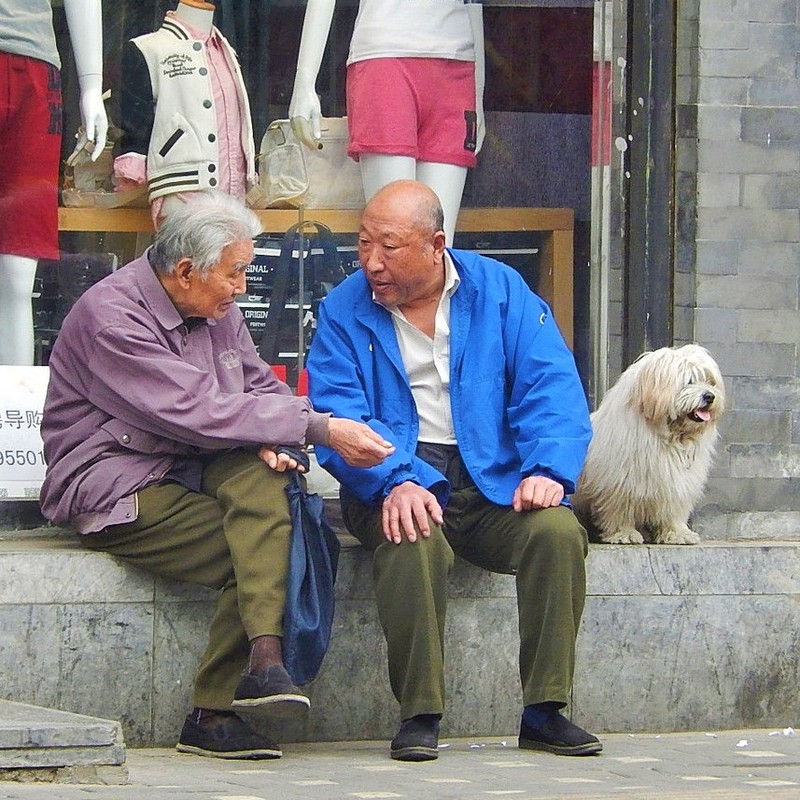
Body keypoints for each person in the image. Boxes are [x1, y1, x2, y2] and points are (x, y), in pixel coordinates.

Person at [39, 190, 394, 760]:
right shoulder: (112, 317)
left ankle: (265, 663)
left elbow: (253, 383)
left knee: (268, 493)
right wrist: (319, 429)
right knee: (263, 550)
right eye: (235, 273)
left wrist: (281, 437)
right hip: (118, 481)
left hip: (192, 462)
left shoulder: (213, 307)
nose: (243, 287)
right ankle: (215, 709)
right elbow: (196, 408)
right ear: (185, 271)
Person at [306, 180, 601, 761]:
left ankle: (546, 709)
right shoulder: (344, 308)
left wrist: (547, 469)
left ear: (436, 244)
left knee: (558, 532)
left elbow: (552, 385)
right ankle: (420, 712)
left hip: (492, 478)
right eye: (364, 244)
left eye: (388, 247)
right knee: (412, 536)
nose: (371, 262)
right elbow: (339, 415)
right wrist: (396, 478)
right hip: (396, 474)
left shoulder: (500, 291)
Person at [288, 0, 484, 244]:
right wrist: (304, 81)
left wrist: (479, 95)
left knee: (438, 247)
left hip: (457, 62)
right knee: (392, 236)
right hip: (384, 58)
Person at [0, 0, 107, 366]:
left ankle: (13, 411)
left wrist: (92, 86)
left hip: (35, 66)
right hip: (34, 63)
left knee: (18, 271)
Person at [114, 0, 256, 227]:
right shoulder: (148, 49)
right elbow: (133, 119)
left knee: (229, 262)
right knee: (185, 262)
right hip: (182, 190)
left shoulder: (225, 50)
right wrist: (131, 168)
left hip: (234, 196)